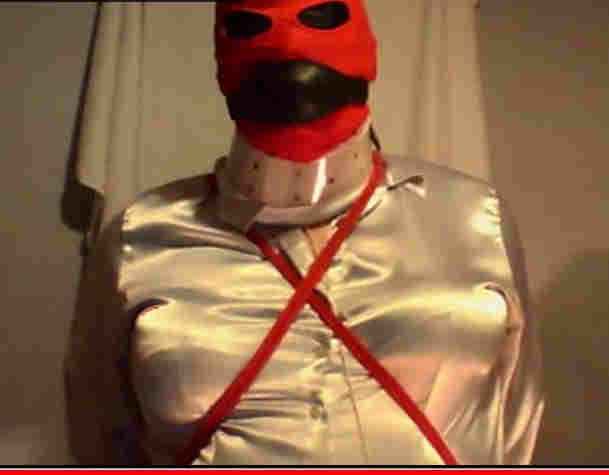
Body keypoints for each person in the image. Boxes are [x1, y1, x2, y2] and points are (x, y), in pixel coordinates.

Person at [66, 0, 544, 465]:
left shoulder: (477, 218)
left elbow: (516, 416)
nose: (289, 44)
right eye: (252, 25)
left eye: (320, 16)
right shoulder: (138, 237)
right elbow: (100, 437)